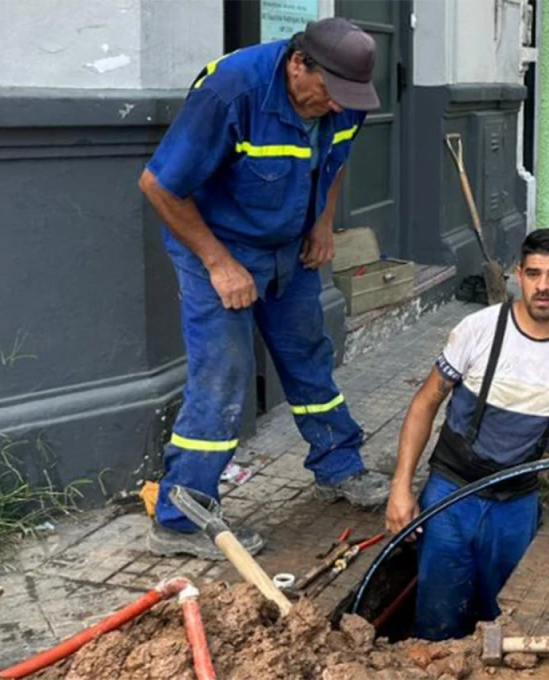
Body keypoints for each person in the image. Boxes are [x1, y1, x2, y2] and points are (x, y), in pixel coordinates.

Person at [138, 17, 392, 559]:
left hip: (290, 243)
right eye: (328, 92)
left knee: (309, 355)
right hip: (217, 244)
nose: (336, 105)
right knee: (223, 374)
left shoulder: (344, 97)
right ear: (299, 64)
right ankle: (180, 519)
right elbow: (158, 185)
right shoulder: (234, 91)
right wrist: (220, 263)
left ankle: (339, 467)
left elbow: (336, 160)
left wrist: (323, 223)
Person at [385, 229, 549, 641]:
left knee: (507, 621)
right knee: (438, 620)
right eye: (534, 274)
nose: (543, 287)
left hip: (516, 504)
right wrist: (401, 486)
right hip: (451, 495)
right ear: (518, 274)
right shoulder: (478, 330)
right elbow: (425, 403)